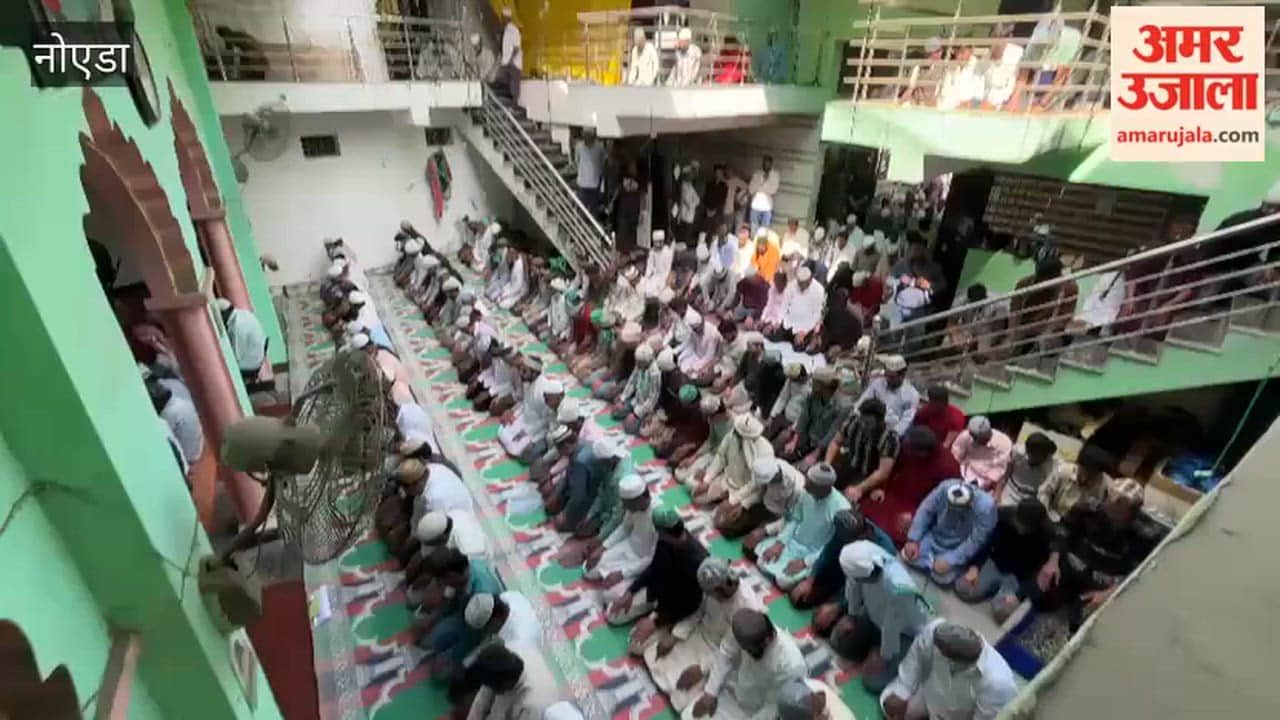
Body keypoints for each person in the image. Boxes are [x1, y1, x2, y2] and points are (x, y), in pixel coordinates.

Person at [1029, 477, 1165, 629]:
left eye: (1117, 511)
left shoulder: (1146, 535)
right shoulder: (1088, 508)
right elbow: (1063, 531)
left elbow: (1143, 573)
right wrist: (1053, 561)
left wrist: (1110, 593)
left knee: (1083, 624)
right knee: (1039, 593)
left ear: (1132, 514)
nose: (1109, 512)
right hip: (1073, 564)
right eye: (1108, 503)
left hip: (1104, 582)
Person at [643, 558, 765, 712]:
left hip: (717, 652)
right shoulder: (712, 589)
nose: (710, 596)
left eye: (712, 593)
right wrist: (676, 635)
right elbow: (698, 613)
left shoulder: (747, 610)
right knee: (652, 654)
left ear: (721, 589)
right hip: (700, 634)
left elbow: (729, 652)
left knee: (679, 699)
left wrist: (702, 669)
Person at [815, 541, 930, 693]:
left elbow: (893, 625)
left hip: (904, 633)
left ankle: (884, 653)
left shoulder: (899, 585)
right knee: (839, 641)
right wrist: (852, 616)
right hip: (875, 617)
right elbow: (853, 587)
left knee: (872, 681)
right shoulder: (858, 562)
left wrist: (883, 654)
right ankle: (872, 647)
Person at [879, 620, 1018, 720]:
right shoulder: (936, 631)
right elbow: (915, 659)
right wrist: (903, 691)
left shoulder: (998, 684)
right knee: (889, 706)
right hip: (930, 697)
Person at [686, 610, 807, 720]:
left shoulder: (791, 667)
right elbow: (726, 652)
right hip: (733, 687)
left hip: (753, 711)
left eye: (748, 649)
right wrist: (710, 692)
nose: (744, 651)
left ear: (767, 641)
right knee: (688, 715)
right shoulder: (744, 628)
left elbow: (773, 706)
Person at [755, 463, 852, 590]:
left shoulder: (841, 509)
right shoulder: (807, 493)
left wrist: (805, 562)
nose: (805, 486)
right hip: (793, 543)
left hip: (813, 554)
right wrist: (780, 543)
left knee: (783, 581)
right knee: (761, 562)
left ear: (824, 488)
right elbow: (794, 519)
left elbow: (832, 547)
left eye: (810, 484)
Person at [955, 498, 1052, 623]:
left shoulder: (1045, 539)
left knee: (1002, 613)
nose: (1021, 529)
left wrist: (1019, 594)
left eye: (1026, 528)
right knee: (963, 588)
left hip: (1017, 577)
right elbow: (987, 543)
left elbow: (1037, 575)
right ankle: (988, 589)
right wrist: (975, 566)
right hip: (995, 563)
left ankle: (996, 593)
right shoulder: (1003, 516)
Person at [859, 426, 958, 546]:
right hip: (895, 490)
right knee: (864, 513)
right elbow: (892, 467)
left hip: (919, 505)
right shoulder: (906, 446)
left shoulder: (949, 468)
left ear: (923, 453)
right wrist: (881, 487)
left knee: (896, 532)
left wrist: (919, 519)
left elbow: (943, 504)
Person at [608, 507, 707, 626]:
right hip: (655, 591)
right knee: (612, 610)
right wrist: (631, 591)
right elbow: (655, 567)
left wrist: (655, 618)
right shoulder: (665, 542)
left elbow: (690, 602)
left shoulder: (697, 562)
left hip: (674, 604)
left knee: (636, 639)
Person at [902, 480, 997, 586]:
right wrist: (913, 539)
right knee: (907, 555)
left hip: (957, 547)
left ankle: (935, 564)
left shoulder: (986, 508)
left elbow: (975, 541)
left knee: (942, 577)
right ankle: (931, 563)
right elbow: (926, 510)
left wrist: (951, 559)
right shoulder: (945, 487)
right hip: (935, 537)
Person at [585, 475, 658, 592]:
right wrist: (602, 548)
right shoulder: (633, 507)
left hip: (642, 561)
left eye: (628, 504)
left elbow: (651, 558)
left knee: (610, 595)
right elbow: (624, 528)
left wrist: (622, 574)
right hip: (628, 547)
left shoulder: (658, 516)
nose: (625, 507)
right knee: (588, 570)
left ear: (639, 499)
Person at [689, 414, 773, 507]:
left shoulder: (766, 452)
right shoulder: (732, 435)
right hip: (726, 479)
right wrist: (707, 480)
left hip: (744, 491)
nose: (734, 433)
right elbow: (721, 457)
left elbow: (755, 484)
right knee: (695, 494)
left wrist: (733, 500)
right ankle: (717, 499)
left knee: (720, 517)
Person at [713, 454, 804, 539]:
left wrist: (766, 530)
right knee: (730, 516)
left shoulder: (797, 488)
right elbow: (759, 491)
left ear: (774, 477)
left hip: (777, 515)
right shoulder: (767, 467)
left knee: (739, 532)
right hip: (763, 504)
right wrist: (743, 506)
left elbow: (791, 518)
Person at [463, 644, 560, 720]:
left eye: (494, 688)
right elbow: (480, 704)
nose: (489, 689)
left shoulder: (531, 706)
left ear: (505, 684)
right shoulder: (500, 661)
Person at [830, 398, 900, 501]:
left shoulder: (889, 439)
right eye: (861, 420)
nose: (862, 425)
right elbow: (836, 442)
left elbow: (883, 472)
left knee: (848, 498)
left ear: (879, 421)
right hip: (849, 464)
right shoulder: (854, 422)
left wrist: (860, 488)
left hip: (868, 476)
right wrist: (827, 463)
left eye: (867, 423)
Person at [1009, 254, 1078, 359]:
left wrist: (1033, 331)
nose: (1040, 283)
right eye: (1039, 279)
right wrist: (1013, 334)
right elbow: (1014, 312)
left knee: (1049, 340)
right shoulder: (1024, 284)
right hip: (1023, 327)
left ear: (1056, 276)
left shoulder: (1069, 288)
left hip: (1048, 329)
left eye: (1044, 280)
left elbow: (1061, 320)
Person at [777, 366, 846, 467]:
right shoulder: (813, 397)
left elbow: (832, 433)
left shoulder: (842, 406)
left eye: (816, 382)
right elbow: (803, 419)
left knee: (803, 469)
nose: (812, 384)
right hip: (808, 438)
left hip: (824, 447)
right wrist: (794, 441)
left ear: (824, 385)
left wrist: (815, 454)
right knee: (782, 455)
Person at [499, 370, 565, 465]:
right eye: (545, 398)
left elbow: (550, 433)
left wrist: (534, 442)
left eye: (548, 398)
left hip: (555, 442)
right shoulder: (547, 402)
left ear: (559, 396)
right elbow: (540, 422)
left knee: (526, 457)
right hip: (542, 433)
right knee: (504, 430)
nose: (546, 401)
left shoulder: (565, 411)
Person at [1036, 444, 1113, 523]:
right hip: (1052, 516)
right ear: (1078, 465)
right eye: (1084, 472)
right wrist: (1048, 516)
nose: (1085, 479)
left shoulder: (1106, 486)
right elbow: (1044, 492)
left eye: (1092, 475)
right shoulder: (1063, 470)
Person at [464, 591, 541, 661]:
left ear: (495, 621)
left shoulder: (517, 644)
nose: (486, 633)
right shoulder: (509, 596)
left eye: (485, 629)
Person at [856, 355, 920, 436]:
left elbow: (907, 420)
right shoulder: (878, 384)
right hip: (871, 427)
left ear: (902, 375)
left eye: (892, 377)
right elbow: (862, 402)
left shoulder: (911, 394)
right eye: (886, 375)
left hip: (892, 432)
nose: (887, 379)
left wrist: (893, 434)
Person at [147, 381, 203, 467]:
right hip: (199, 446)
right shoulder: (180, 399)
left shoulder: (166, 415)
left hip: (189, 457)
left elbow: (161, 443)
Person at [950, 416, 1012, 493]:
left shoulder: (1004, 442)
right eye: (974, 437)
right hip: (963, 476)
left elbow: (999, 470)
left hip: (987, 485)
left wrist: (984, 484)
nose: (974, 439)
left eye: (980, 438)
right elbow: (955, 457)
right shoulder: (966, 436)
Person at [611, 342, 662, 434]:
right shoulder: (639, 365)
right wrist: (622, 399)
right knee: (615, 412)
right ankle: (628, 415)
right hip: (635, 400)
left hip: (645, 407)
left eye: (640, 363)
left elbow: (652, 399)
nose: (638, 365)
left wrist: (636, 414)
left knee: (629, 428)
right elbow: (632, 382)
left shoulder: (655, 373)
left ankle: (637, 420)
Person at [999, 432, 1059, 506]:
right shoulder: (1018, 452)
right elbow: (1005, 475)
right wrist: (997, 494)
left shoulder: (1052, 466)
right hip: (1010, 491)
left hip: (1031, 500)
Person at [216, 298, 267, 383]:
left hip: (249, 365)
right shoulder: (241, 315)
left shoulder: (238, 327)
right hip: (254, 355)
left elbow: (234, 358)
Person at [780, 266, 825, 345]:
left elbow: (816, 314)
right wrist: (782, 319)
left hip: (806, 325)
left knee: (798, 346)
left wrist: (803, 332)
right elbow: (784, 304)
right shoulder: (792, 285)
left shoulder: (819, 290)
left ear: (810, 280)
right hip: (790, 321)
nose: (801, 286)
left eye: (804, 284)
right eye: (800, 284)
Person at [675, 309, 722, 385]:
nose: (695, 331)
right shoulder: (693, 330)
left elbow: (709, 356)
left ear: (702, 324)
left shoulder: (713, 333)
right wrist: (679, 353)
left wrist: (695, 368)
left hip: (707, 361)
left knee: (696, 375)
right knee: (682, 364)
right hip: (695, 355)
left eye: (697, 329)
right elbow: (690, 344)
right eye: (694, 329)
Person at [912, 385, 965, 450]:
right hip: (927, 442)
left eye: (934, 402)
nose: (930, 404)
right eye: (930, 401)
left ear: (943, 402)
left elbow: (947, 444)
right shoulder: (926, 410)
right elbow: (918, 429)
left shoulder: (956, 417)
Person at [574, 129, 606, 217]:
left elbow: (603, 162)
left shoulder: (600, 147)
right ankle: (581, 227)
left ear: (593, 136)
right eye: (585, 136)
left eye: (589, 136)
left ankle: (592, 225)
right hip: (582, 183)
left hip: (595, 184)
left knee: (594, 209)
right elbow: (577, 161)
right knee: (582, 209)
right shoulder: (579, 146)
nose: (587, 138)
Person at [495, 7, 522, 101]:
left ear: (507, 18)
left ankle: (514, 105)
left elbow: (516, 48)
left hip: (513, 64)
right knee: (504, 86)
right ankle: (507, 104)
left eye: (503, 17)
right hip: (505, 62)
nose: (501, 19)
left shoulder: (514, 30)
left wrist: (510, 61)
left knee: (514, 87)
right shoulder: (505, 30)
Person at [748, 156, 781, 231]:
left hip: (767, 208)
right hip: (755, 207)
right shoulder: (757, 174)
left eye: (768, 164)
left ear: (771, 164)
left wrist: (759, 187)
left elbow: (773, 190)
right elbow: (750, 189)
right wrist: (763, 182)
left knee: (764, 232)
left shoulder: (775, 175)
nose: (766, 165)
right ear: (762, 164)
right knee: (753, 231)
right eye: (764, 163)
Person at [644, 230, 676, 298]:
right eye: (655, 242)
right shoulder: (652, 252)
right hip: (655, 276)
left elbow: (669, 269)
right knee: (647, 290)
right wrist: (646, 278)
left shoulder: (668, 251)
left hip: (666, 277)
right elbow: (649, 267)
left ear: (662, 242)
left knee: (662, 293)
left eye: (659, 242)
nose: (657, 244)